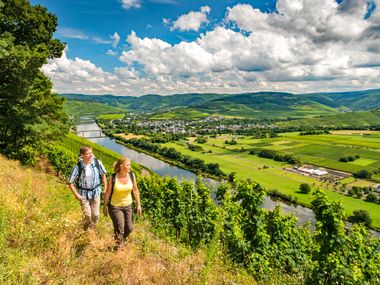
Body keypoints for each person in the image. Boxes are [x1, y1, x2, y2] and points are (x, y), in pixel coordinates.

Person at [103, 157, 142, 248]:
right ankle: (119, 247)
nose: (130, 166)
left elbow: (135, 190)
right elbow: (108, 192)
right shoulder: (113, 178)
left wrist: (139, 205)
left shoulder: (132, 175)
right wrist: (104, 206)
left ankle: (121, 239)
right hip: (115, 206)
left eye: (130, 164)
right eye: (128, 165)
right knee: (120, 228)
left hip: (128, 206)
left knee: (129, 228)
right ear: (121, 166)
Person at [68, 146, 107, 230]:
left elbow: (103, 175)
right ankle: (85, 230)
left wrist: (105, 188)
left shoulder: (97, 162)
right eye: (88, 153)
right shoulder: (78, 166)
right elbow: (70, 182)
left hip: (96, 192)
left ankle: (92, 231)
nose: (91, 155)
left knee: (96, 215)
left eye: (91, 153)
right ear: (82, 155)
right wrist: (76, 195)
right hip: (83, 194)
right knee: (87, 215)